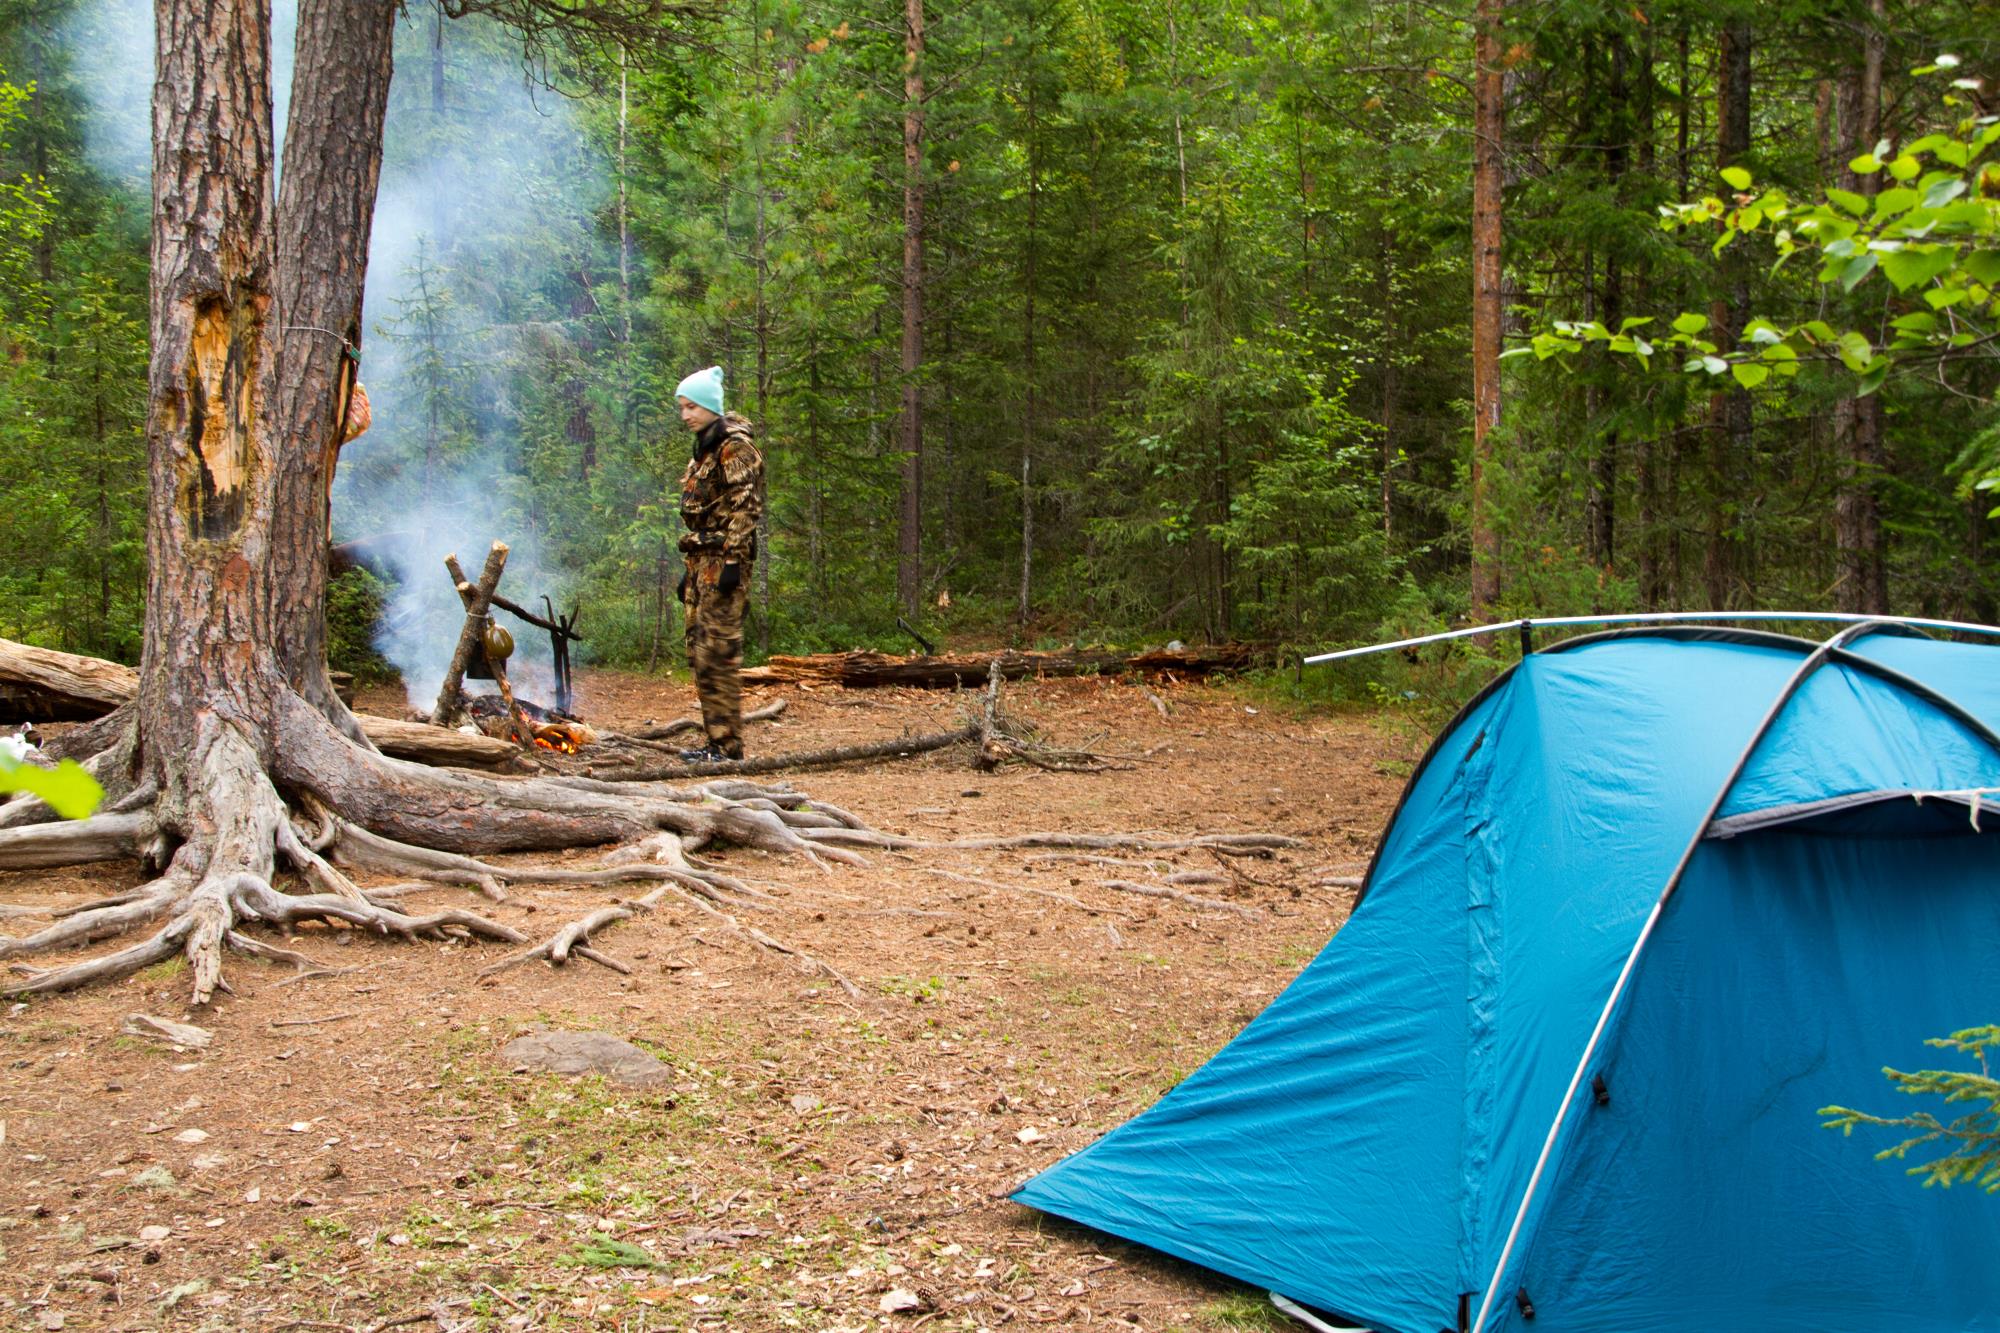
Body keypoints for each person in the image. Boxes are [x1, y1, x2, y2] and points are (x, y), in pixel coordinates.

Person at [673, 365, 764, 762]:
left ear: (711, 406)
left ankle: (728, 746)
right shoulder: (705, 447)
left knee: (719, 653)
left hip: (723, 562)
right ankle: (715, 741)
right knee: (700, 652)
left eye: (692, 406)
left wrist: (732, 561)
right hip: (701, 562)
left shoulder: (734, 446)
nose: (686, 415)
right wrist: (688, 572)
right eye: (681, 407)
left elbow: (747, 506)